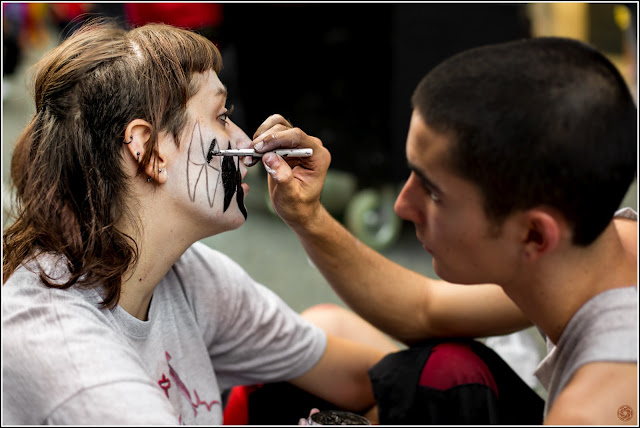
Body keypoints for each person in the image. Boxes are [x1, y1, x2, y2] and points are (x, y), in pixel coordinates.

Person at [1, 20, 385, 425]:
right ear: (149, 151)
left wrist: (309, 217)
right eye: (222, 116)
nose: (247, 144)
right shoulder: (76, 365)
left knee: (332, 323)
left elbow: (377, 382)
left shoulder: (190, 276)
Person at [244, 36, 638, 425]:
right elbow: (425, 310)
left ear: (535, 235)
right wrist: (307, 216)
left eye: (432, 191)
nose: (402, 205)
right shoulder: (596, 243)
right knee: (362, 342)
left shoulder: (596, 407)